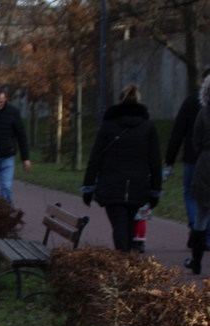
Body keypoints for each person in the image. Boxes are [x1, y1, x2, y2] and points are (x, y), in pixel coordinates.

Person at [82, 84, 162, 254]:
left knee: (119, 224)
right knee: (128, 223)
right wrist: (155, 191)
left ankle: (123, 259)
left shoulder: (108, 125)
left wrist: (88, 187)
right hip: (137, 185)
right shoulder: (148, 127)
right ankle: (126, 260)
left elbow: (95, 158)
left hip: (111, 184)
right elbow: (155, 161)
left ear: (119, 101)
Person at [165, 66, 210, 251]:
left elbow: (178, 131)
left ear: (201, 81)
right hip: (202, 156)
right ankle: (206, 236)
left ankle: (195, 228)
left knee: (191, 194)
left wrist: (170, 159)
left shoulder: (191, 102)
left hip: (193, 158)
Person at [186, 76, 210, 273]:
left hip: (205, 165)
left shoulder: (204, 112)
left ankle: (197, 261)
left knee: (201, 215)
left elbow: (196, 141)